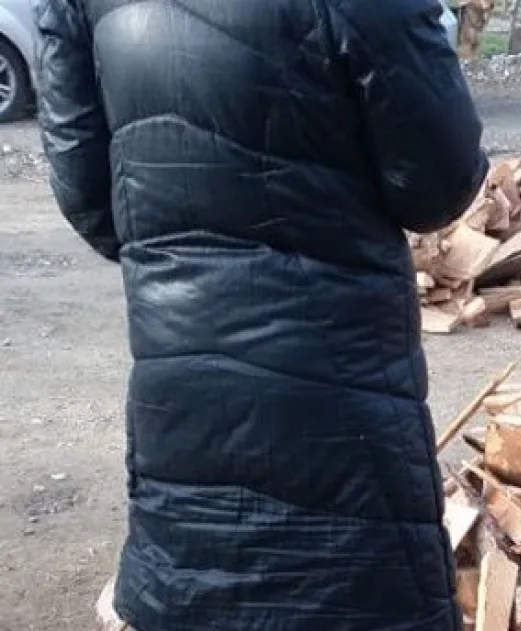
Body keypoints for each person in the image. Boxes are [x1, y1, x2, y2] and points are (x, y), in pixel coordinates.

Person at [34, 0, 488, 629]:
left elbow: (90, 200)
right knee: (362, 594)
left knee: (197, 589)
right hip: (341, 392)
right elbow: (438, 186)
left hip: (184, 393)